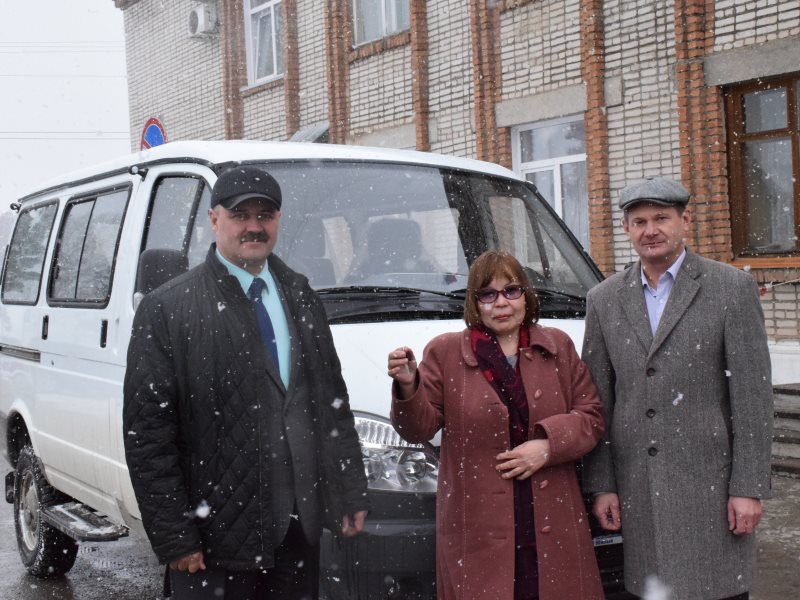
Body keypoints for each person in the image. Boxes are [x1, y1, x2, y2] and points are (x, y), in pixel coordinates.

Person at [123, 165, 369, 600]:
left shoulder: (301, 295)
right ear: (214, 220)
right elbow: (147, 436)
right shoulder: (168, 309)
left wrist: (348, 491)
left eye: (266, 214)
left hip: (297, 528)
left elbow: (332, 402)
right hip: (216, 536)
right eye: (240, 215)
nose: (254, 227)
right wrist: (174, 534)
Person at [581, 177, 774, 600]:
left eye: (661, 218)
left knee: (716, 590)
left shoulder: (730, 289)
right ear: (627, 230)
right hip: (639, 491)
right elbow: (596, 400)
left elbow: (753, 398)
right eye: (639, 221)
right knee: (652, 592)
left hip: (711, 487)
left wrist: (749, 487)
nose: (650, 230)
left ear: (685, 220)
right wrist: (603, 484)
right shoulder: (604, 299)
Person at [387, 250, 605, 600]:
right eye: (488, 294)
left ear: (525, 295)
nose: (501, 303)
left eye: (511, 291)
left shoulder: (557, 347)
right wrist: (408, 386)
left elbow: (592, 417)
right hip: (477, 525)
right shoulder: (444, 353)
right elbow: (419, 429)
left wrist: (549, 447)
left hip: (551, 519)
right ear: (475, 303)